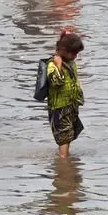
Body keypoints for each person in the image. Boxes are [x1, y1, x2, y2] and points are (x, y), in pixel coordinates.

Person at [47, 29, 85, 158]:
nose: (75, 56)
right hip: (59, 107)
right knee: (63, 136)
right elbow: (56, 81)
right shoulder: (52, 65)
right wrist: (58, 66)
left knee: (69, 134)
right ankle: (63, 161)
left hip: (71, 105)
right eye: (74, 53)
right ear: (64, 51)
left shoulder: (71, 63)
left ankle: (65, 156)